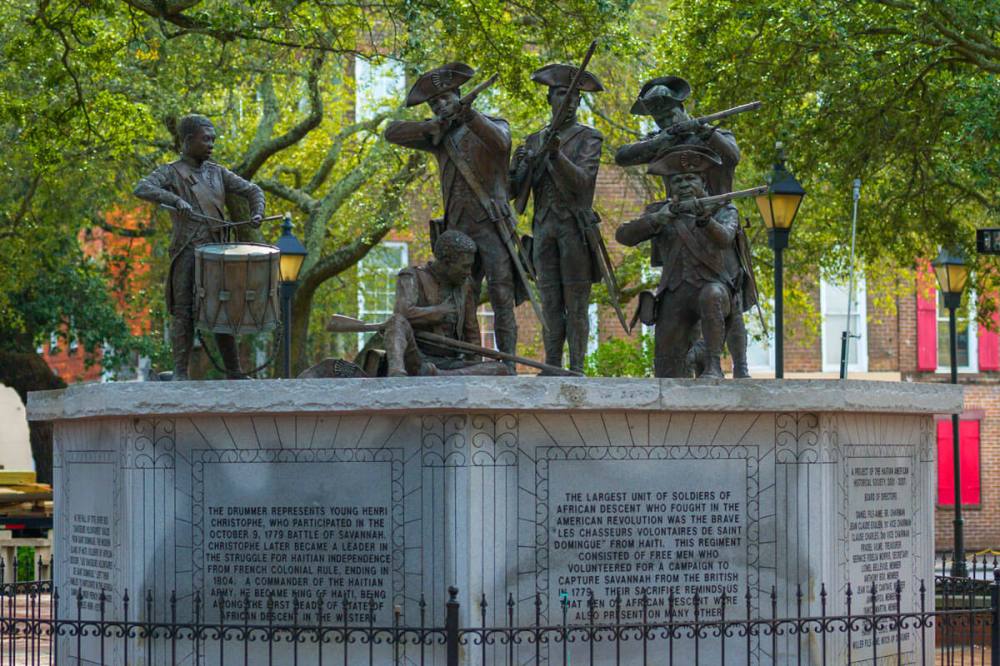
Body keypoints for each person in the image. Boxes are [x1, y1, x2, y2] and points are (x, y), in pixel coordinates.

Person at [384, 63, 524, 372]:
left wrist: (469, 115)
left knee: (502, 294)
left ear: (459, 95)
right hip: (458, 232)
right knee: (462, 298)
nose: (440, 106)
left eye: (445, 99)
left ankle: (509, 364)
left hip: (492, 225)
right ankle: (468, 361)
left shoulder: (491, 125)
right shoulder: (441, 135)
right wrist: (432, 126)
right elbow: (391, 132)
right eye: (434, 104)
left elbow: (501, 143)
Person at [615, 76, 753, 377]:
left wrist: (703, 130)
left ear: (682, 107)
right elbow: (622, 156)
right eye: (659, 119)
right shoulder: (662, 140)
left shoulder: (710, 134)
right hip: (677, 221)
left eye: (670, 115)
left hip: (716, 216)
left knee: (729, 293)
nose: (666, 121)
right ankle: (689, 358)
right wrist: (663, 138)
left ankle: (739, 367)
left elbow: (732, 155)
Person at [133, 114, 265, 380]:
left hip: (217, 252)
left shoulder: (218, 172)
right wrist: (174, 199)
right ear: (187, 140)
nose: (211, 144)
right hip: (187, 250)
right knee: (183, 312)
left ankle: (234, 372)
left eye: (213, 140)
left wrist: (257, 213)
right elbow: (142, 188)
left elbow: (254, 191)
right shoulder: (171, 172)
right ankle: (180, 373)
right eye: (206, 139)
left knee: (222, 309)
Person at [509, 63, 604, 373]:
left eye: (574, 96)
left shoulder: (589, 137)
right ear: (549, 98)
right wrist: (518, 167)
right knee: (550, 302)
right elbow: (513, 191)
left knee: (576, 304)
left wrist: (556, 154)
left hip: (575, 229)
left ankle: (576, 367)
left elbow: (583, 183)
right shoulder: (533, 139)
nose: (568, 101)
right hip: (543, 228)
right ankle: (552, 365)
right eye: (562, 94)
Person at [615, 146, 740, 379]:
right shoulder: (659, 211)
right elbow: (623, 236)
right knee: (667, 370)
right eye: (677, 180)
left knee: (711, 295)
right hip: (674, 292)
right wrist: (657, 219)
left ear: (703, 181)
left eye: (690, 178)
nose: (684, 184)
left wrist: (706, 220)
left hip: (711, 288)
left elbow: (725, 238)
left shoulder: (722, 208)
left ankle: (713, 364)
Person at [383, 230, 509, 376]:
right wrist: (436, 312)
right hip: (416, 358)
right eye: (465, 266)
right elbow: (402, 313)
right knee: (396, 321)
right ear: (447, 262)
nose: (468, 272)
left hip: (449, 363)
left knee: (500, 368)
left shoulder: (465, 285)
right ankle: (397, 373)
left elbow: (471, 332)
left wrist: (475, 367)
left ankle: (441, 375)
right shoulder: (412, 276)